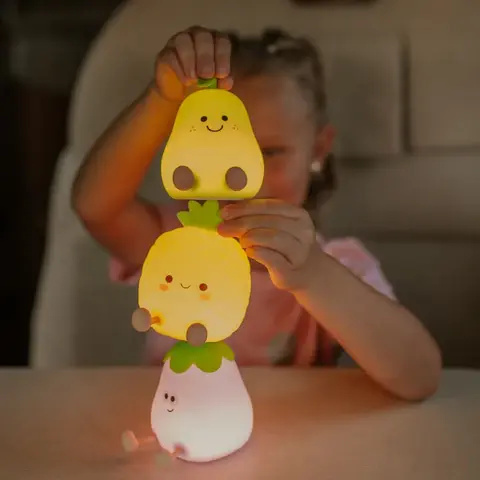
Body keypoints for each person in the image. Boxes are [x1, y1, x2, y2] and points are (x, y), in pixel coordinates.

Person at [72, 26, 441, 401]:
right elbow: (95, 206)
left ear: (317, 150)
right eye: (213, 150)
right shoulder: (166, 242)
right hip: (173, 424)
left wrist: (313, 275)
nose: (242, 180)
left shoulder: (336, 268)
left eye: (269, 152)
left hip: (296, 432)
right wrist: (161, 101)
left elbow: (420, 377)